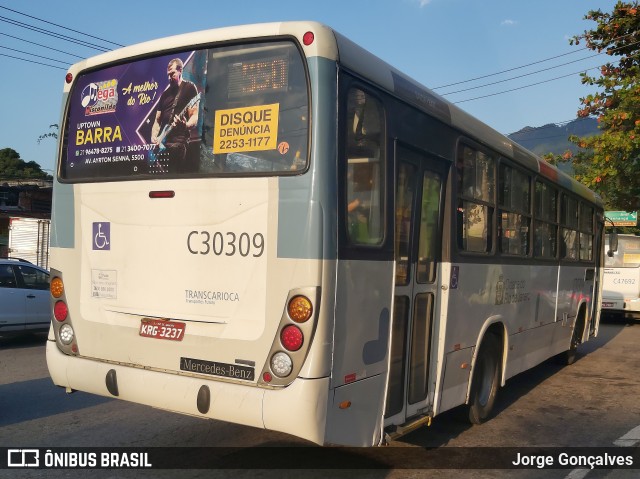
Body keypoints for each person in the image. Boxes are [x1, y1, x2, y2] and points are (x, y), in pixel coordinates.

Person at [150, 58, 199, 173]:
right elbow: (157, 120)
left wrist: (185, 125)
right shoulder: (165, 95)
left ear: (180, 70)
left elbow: (194, 116)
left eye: (172, 74)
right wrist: (154, 136)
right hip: (164, 143)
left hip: (179, 141)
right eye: (168, 75)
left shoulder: (189, 88)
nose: (169, 78)